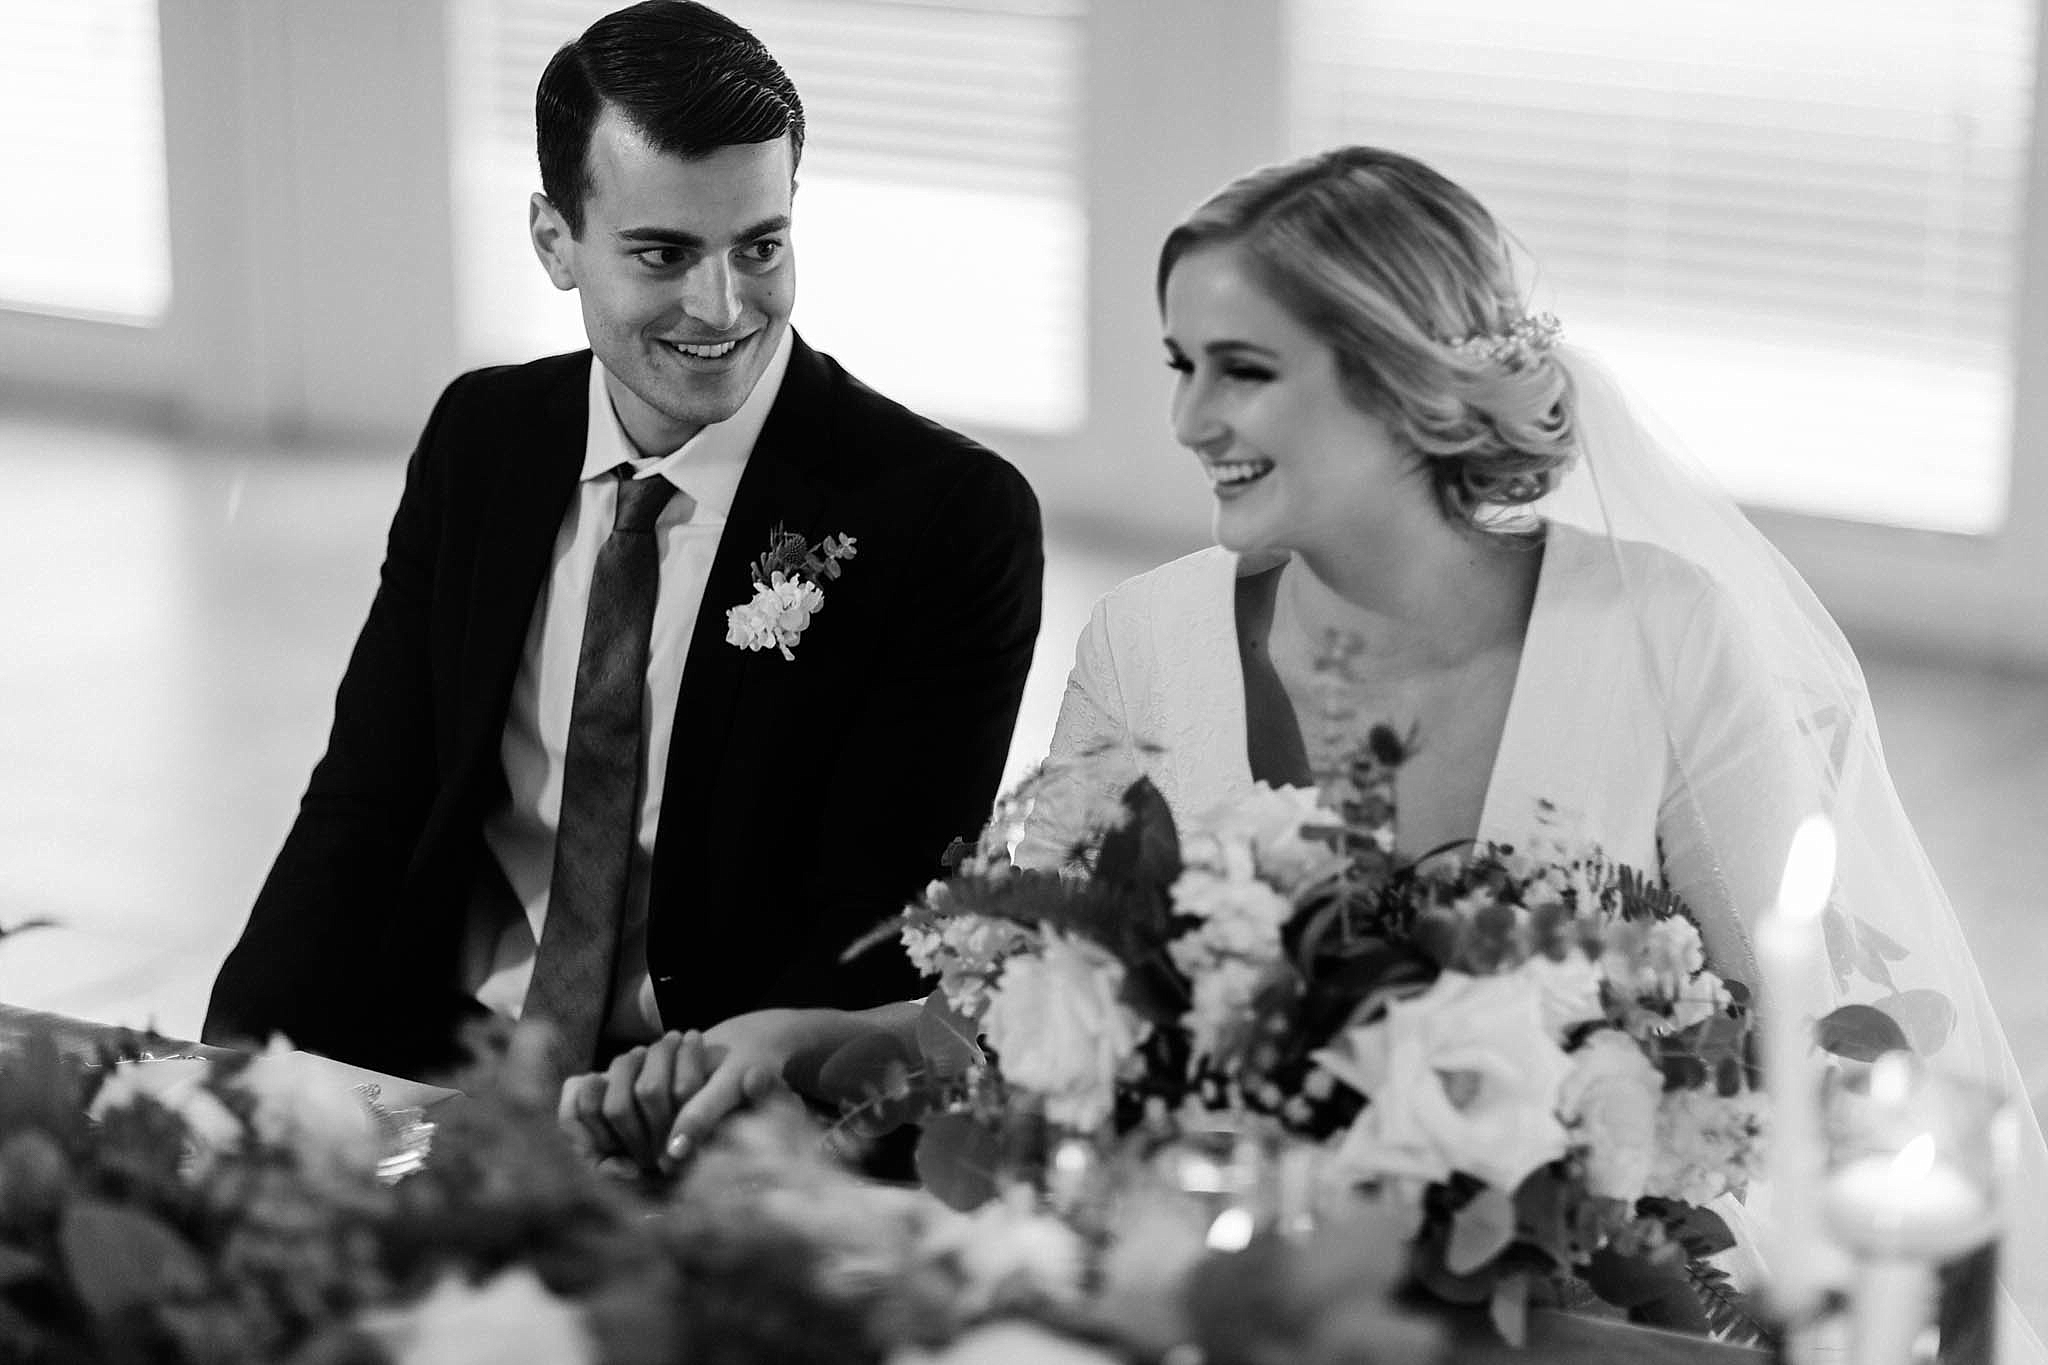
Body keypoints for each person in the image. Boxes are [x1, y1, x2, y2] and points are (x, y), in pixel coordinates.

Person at [1034, 145, 2046, 1360]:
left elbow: (1789, 1048)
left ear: (1401, 384)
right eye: (1181, 364)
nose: (1188, 420)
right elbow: (1023, 991)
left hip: (1602, 1301)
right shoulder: (1141, 638)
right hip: (1229, 1288)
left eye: (1241, 371)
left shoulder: (1661, 631)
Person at [201, 0, 1043, 1148]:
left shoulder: (941, 517)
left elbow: (878, 928)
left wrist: (679, 1115)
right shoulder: (483, 440)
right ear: (555, 242)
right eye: (663, 254)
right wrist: (233, 1061)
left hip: (714, 1102)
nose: (722, 306)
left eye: (759, 246)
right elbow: (368, 797)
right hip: (439, 1055)